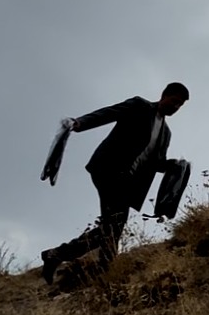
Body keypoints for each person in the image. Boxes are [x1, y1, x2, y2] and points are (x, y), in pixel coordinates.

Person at [40, 82, 190, 285]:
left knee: (112, 227)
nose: (175, 107)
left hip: (128, 183)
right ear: (164, 95)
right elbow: (108, 113)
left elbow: (156, 163)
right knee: (115, 224)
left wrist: (173, 165)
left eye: (179, 105)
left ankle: (57, 255)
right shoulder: (140, 106)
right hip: (108, 169)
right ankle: (104, 272)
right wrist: (79, 123)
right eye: (174, 101)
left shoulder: (166, 134)